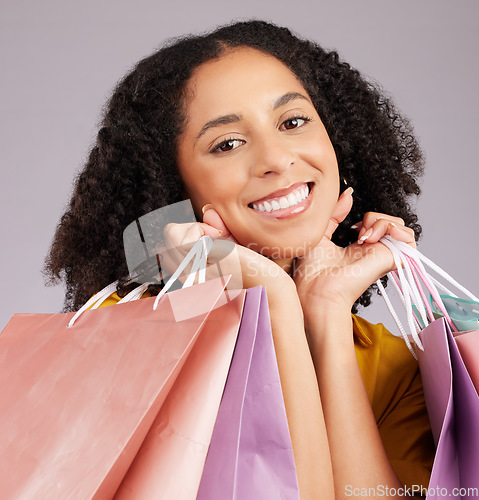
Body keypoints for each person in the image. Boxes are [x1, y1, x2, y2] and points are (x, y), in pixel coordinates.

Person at [45, 20, 435, 498]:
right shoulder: (120, 345)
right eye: (227, 144)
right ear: (174, 185)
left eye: (293, 122)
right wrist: (271, 299)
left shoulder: (391, 365)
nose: (275, 159)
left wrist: (326, 313)